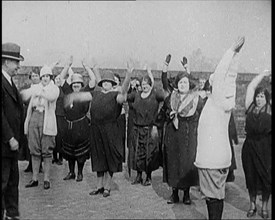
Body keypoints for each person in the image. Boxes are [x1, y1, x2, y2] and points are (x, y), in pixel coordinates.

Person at [64, 61, 133, 197]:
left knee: (109, 158)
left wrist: (128, 75)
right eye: (104, 82)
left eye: (109, 82)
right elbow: (81, 96)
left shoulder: (116, 96)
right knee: (98, 158)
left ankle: (107, 187)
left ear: (113, 84)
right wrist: (71, 97)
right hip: (95, 130)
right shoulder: (96, 94)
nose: (106, 84)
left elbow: (123, 92)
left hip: (110, 131)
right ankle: (99, 186)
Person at [194, 36, 245, 220]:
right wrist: (236, 56)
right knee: (214, 196)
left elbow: (223, 73)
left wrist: (231, 51)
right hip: (218, 158)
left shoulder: (218, 99)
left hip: (211, 159)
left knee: (214, 197)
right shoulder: (224, 100)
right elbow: (230, 76)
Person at [159, 54, 204, 205]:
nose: (183, 85)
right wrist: (165, 66)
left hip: (187, 134)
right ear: (177, 84)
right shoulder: (171, 97)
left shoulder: (195, 99)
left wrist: (187, 68)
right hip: (172, 133)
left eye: (185, 82)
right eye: (180, 82)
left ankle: (186, 194)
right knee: (173, 161)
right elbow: (164, 83)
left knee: (186, 162)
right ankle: (174, 193)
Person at [21, 64, 60, 190]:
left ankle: (47, 179)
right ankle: (35, 178)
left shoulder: (54, 88)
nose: (45, 78)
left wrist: (40, 92)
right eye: (43, 76)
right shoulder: (36, 88)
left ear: (51, 77)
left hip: (46, 119)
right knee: (34, 149)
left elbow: (51, 97)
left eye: (47, 76)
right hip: (34, 117)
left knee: (47, 150)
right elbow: (24, 95)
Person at [241, 70, 271, 219]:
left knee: (266, 177)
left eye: (262, 97)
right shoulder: (250, 107)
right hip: (250, 147)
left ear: (267, 98)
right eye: (257, 96)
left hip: (266, 147)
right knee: (251, 177)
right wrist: (262, 74)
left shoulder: (271, 109)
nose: (259, 99)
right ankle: (252, 205)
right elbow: (251, 87)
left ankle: (265, 206)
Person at [60, 58, 96, 182]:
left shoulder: (85, 92)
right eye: (74, 84)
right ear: (71, 85)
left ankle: (80, 173)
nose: (76, 86)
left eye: (78, 84)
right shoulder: (68, 92)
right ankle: (71, 172)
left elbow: (93, 81)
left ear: (81, 85)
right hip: (69, 126)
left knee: (80, 152)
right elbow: (60, 78)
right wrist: (67, 65)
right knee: (69, 150)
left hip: (82, 126)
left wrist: (87, 67)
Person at [127, 66, 164, 186]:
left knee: (150, 154)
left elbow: (166, 97)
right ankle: (138, 176)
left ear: (150, 85)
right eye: (143, 84)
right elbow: (125, 97)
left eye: (147, 84)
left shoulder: (155, 95)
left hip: (150, 129)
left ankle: (148, 176)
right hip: (137, 128)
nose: (144, 86)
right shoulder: (136, 95)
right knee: (138, 153)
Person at [2, 42, 25, 220]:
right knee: (3, 182)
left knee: (12, 183)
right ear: (5, 62)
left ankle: (12, 214)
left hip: (11, 146)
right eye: (15, 62)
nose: (18, 66)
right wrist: (9, 137)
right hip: (4, 144)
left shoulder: (9, 82)